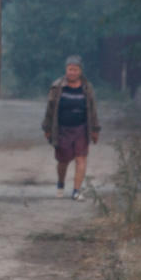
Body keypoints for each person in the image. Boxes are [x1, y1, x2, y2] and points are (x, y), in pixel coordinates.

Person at [42, 55, 101, 201]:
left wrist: (95, 129)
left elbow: (92, 108)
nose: (72, 72)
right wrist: (47, 128)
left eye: (75, 70)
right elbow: (50, 109)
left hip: (81, 128)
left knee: (81, 159)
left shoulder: (87, 87)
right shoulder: (57, 87)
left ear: (80, 71)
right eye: (70, 70)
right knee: (63, 161)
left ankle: (76, 191)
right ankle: (61, 184)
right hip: (62, 129)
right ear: (66, 70)